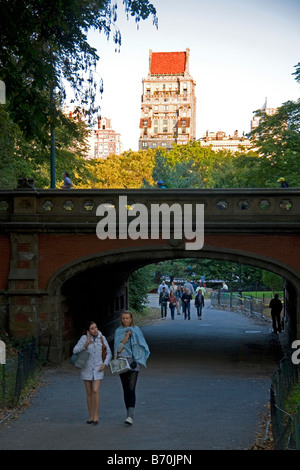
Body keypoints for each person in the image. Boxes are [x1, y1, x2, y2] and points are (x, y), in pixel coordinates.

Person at [114, 311, 150, 425]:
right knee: (125, 389)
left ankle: (130, 415)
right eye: (123, 318)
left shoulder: (136, 330)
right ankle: (128, 413)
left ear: (131, 319)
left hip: (133, 362)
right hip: (122, 361)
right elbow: (117, 350)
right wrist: (125, 338)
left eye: (127, 318)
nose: (125, 320)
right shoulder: (118, 331)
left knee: (131, 388)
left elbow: (141, 345)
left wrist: (138, 357)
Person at [72, 321, 112, 425]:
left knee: (95, 390)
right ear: (88, 331)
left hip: (98, 368)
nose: (95, 330)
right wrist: (85, 345)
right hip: (86, 368)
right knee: (89, 392)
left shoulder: (102, 338)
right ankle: (90, 415)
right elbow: (75, 351)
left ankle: (96, 415)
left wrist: (105, 363)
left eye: (96, 327)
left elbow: (108, 352)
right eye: (92, 328)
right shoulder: (84, 339)